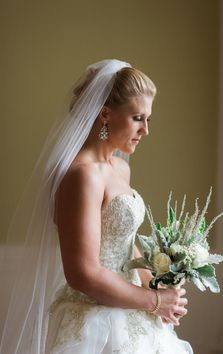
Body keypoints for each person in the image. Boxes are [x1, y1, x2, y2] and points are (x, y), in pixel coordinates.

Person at [0, 59, 193, 354]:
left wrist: (156, 286)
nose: (145, 131)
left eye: (148, 119)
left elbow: (125, 243)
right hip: (97, 318)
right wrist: (152, 301)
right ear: (105, 115)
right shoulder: (82, 176)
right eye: (137, 118)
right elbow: (83, 273)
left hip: (133, 307)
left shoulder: (119, 168)